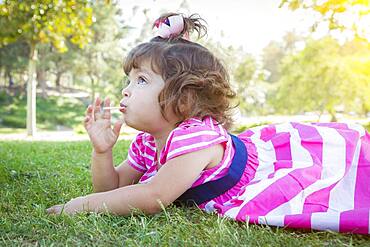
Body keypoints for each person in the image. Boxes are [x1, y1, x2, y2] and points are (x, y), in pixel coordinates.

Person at [47, 13, 370, 234]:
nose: (126, 89)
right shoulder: (148, 142)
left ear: (184, 99)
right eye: (128, 80)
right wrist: (102, 152)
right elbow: (114, 190)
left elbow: (152, 197)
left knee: (336, 177)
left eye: (142, 80)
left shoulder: (195, 137)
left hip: (261, 174)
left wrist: (78, 206)